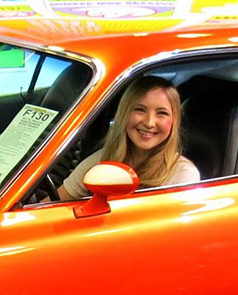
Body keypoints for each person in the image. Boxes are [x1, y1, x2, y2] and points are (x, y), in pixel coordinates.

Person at [56, 76, 199, 201]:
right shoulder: (104, 158)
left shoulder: (183, 174)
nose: (149, 122)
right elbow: (53, 204)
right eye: (140, 110)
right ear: (124, 114)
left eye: (162, 113)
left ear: (174, 121)